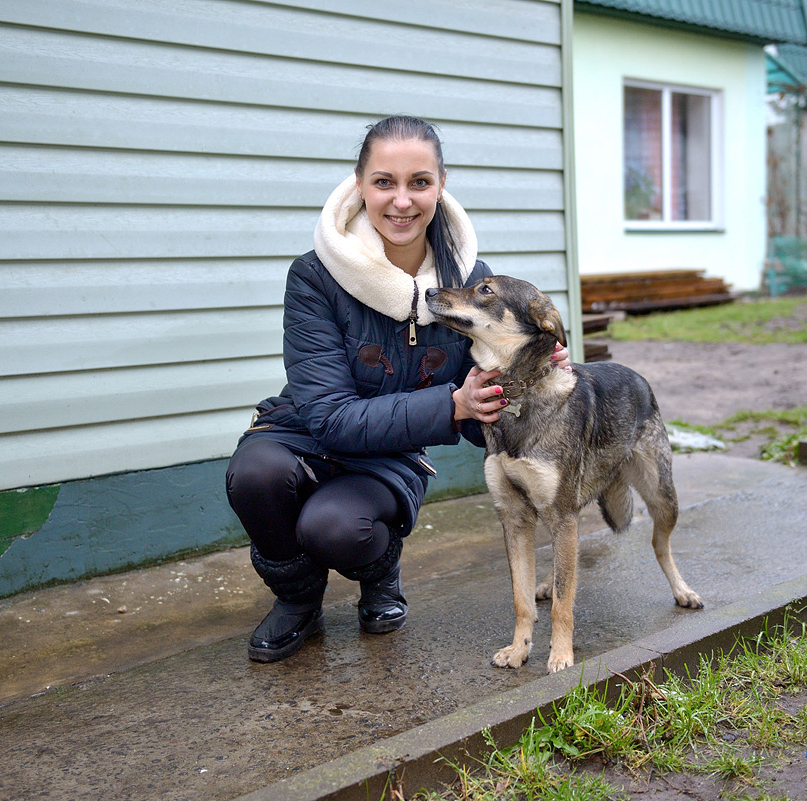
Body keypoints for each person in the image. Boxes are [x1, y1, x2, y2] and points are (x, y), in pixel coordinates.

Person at [225, 115, 569, 663]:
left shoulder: (472, 285)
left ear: (441, 184)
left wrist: (526, 375)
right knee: (256, 475)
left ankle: (380, 577)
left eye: (419, 182)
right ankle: (298, 601)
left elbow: (486, 424)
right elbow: (329, 417)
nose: (402, 201)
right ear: (359, 185)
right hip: (302, 435)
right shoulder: (315, 277)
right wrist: (451, 405)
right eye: (384, 182)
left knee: (334, 528)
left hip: (388, 458)